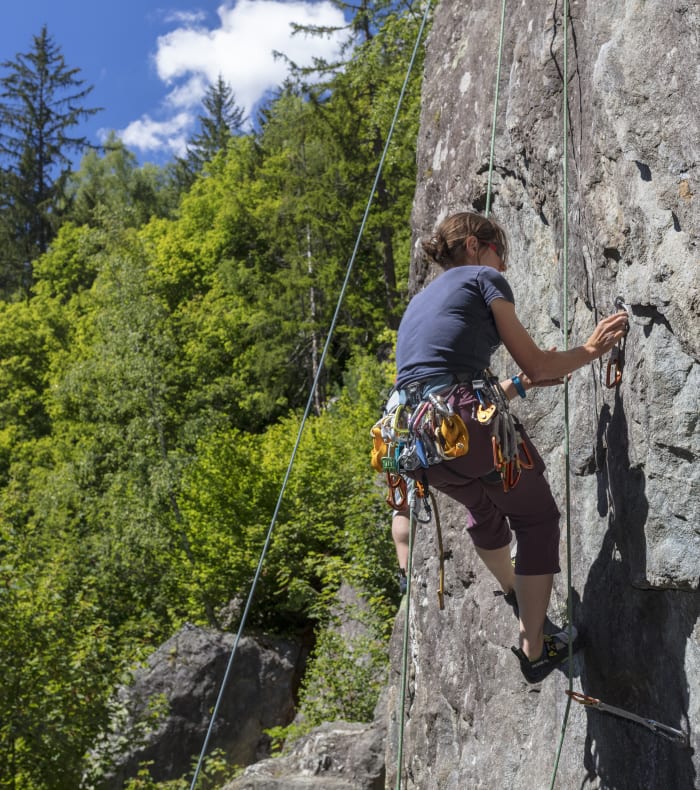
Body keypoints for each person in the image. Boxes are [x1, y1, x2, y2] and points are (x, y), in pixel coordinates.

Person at [392, 211, 628, 683]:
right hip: (462, 428)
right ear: (477, 246)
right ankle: (535, 648)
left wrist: (516, 387)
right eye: (501, 253)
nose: (504, 266)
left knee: (482, 505)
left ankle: (512, 588)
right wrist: (590, 350)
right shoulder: (482, 278)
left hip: (417, 443)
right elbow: (539, 364)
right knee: (536, 518)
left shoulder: (419, 302)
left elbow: (443, 382)